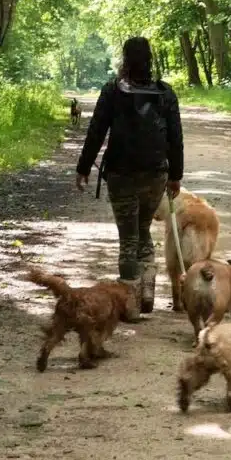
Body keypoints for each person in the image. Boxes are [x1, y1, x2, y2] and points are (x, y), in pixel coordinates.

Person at [75, 36, 184, 322]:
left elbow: (96, 131)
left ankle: (131, 303)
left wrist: (84, 167)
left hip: (121, 174)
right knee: (143, 228)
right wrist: (175, 176)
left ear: (125, 59)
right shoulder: (165, 93)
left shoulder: (113, 91)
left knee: (128, 236)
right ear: (150, 58)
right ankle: (147, 287)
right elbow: (175, 138)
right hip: (156, 174)